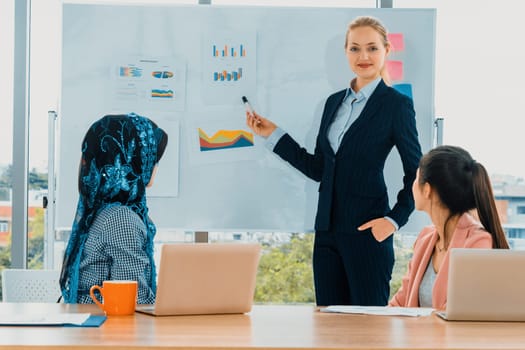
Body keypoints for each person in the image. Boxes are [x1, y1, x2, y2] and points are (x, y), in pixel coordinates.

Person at [246, 16, 422, 306]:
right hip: (326, 233)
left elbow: (416, 172)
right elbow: (319, 169)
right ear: (346, 52)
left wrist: (393, 220)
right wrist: (273, 134)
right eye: (354, 49)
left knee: (368, 330)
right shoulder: (333, 103)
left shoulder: (395, 105)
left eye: (372, 48)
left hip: (368, 234)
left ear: (386, 50)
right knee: (328, 326)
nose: (363, 56)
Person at [59, 113, 168, 304]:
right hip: (105, 328)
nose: (156, 166)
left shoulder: (102, 210)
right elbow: (136, 300)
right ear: (133, 161)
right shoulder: (121, 218)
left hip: (94, 325)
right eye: (152, 158)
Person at [389, 145, 509, 309]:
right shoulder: (425, 239)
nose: (412, 185)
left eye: (416, 179)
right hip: (417, 334)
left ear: (427, 190)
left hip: (452, 335)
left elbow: (461, 311)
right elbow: (400, 302)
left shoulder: (477, 242)